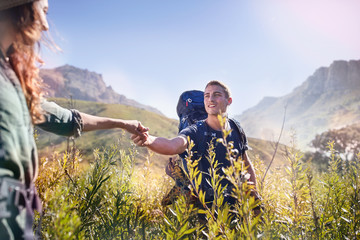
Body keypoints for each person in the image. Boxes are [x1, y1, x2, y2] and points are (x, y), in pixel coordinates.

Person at [0, 0, 148, 239]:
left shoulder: (13, 80)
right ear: (22, 8)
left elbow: (68, 120)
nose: (46, 26)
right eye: (44, 11)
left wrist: (122, 123)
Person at [132, 80, 258, 215]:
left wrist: (255, 197)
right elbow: (173, 145)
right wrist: (148, 140)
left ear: (229, 100)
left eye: (217, 95)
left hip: (232, 204)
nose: (211, 99)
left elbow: (245, 163)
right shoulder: (195, 131)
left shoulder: (236, 128)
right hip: (204, 206)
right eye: (207, 95)